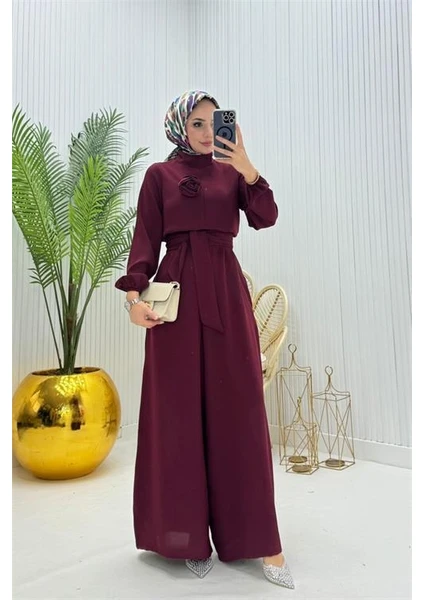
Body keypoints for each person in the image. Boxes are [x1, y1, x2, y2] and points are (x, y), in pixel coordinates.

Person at [115, 90, 295, 589]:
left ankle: (260, 540)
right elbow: (144, 241)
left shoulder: (233, 173)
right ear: (179, 127)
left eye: (215, 123)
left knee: (240, 412)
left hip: (226, 296)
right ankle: (187, 537)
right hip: (174, 301)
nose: (208, 131)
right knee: (177, 418)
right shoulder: (159, 176)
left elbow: (265, 216)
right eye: (197, 123)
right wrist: (133, 301)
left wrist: (248, 168)